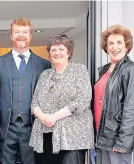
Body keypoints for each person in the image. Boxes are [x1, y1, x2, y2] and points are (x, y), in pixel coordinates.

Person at [0, 18, 51, 164]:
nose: (21, 35)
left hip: (33, 127)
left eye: (25, 32)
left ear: (30, 35)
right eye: (17, 32)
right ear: (11, 36)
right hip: (5, 128)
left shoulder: (44, 64)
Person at [29, 34, 94, 164]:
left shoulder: (79, 70)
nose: (57, 53)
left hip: (71, 136)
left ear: (68, 52)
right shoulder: (45, 74)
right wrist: (42, 117)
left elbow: (83, 99)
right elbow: (34, 102)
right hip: (45, 134)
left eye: (61, 49)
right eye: (53, 50)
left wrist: (54, 117)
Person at [94, 25, 134, 164]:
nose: (114, 47)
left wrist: (122, 142)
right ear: (106, 47)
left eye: (119, 42)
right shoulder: (104, 70)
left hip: (117, 138)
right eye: (111, 43)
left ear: (126, 46)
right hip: (102, 135)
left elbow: (132, 109)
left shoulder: (131, 70)